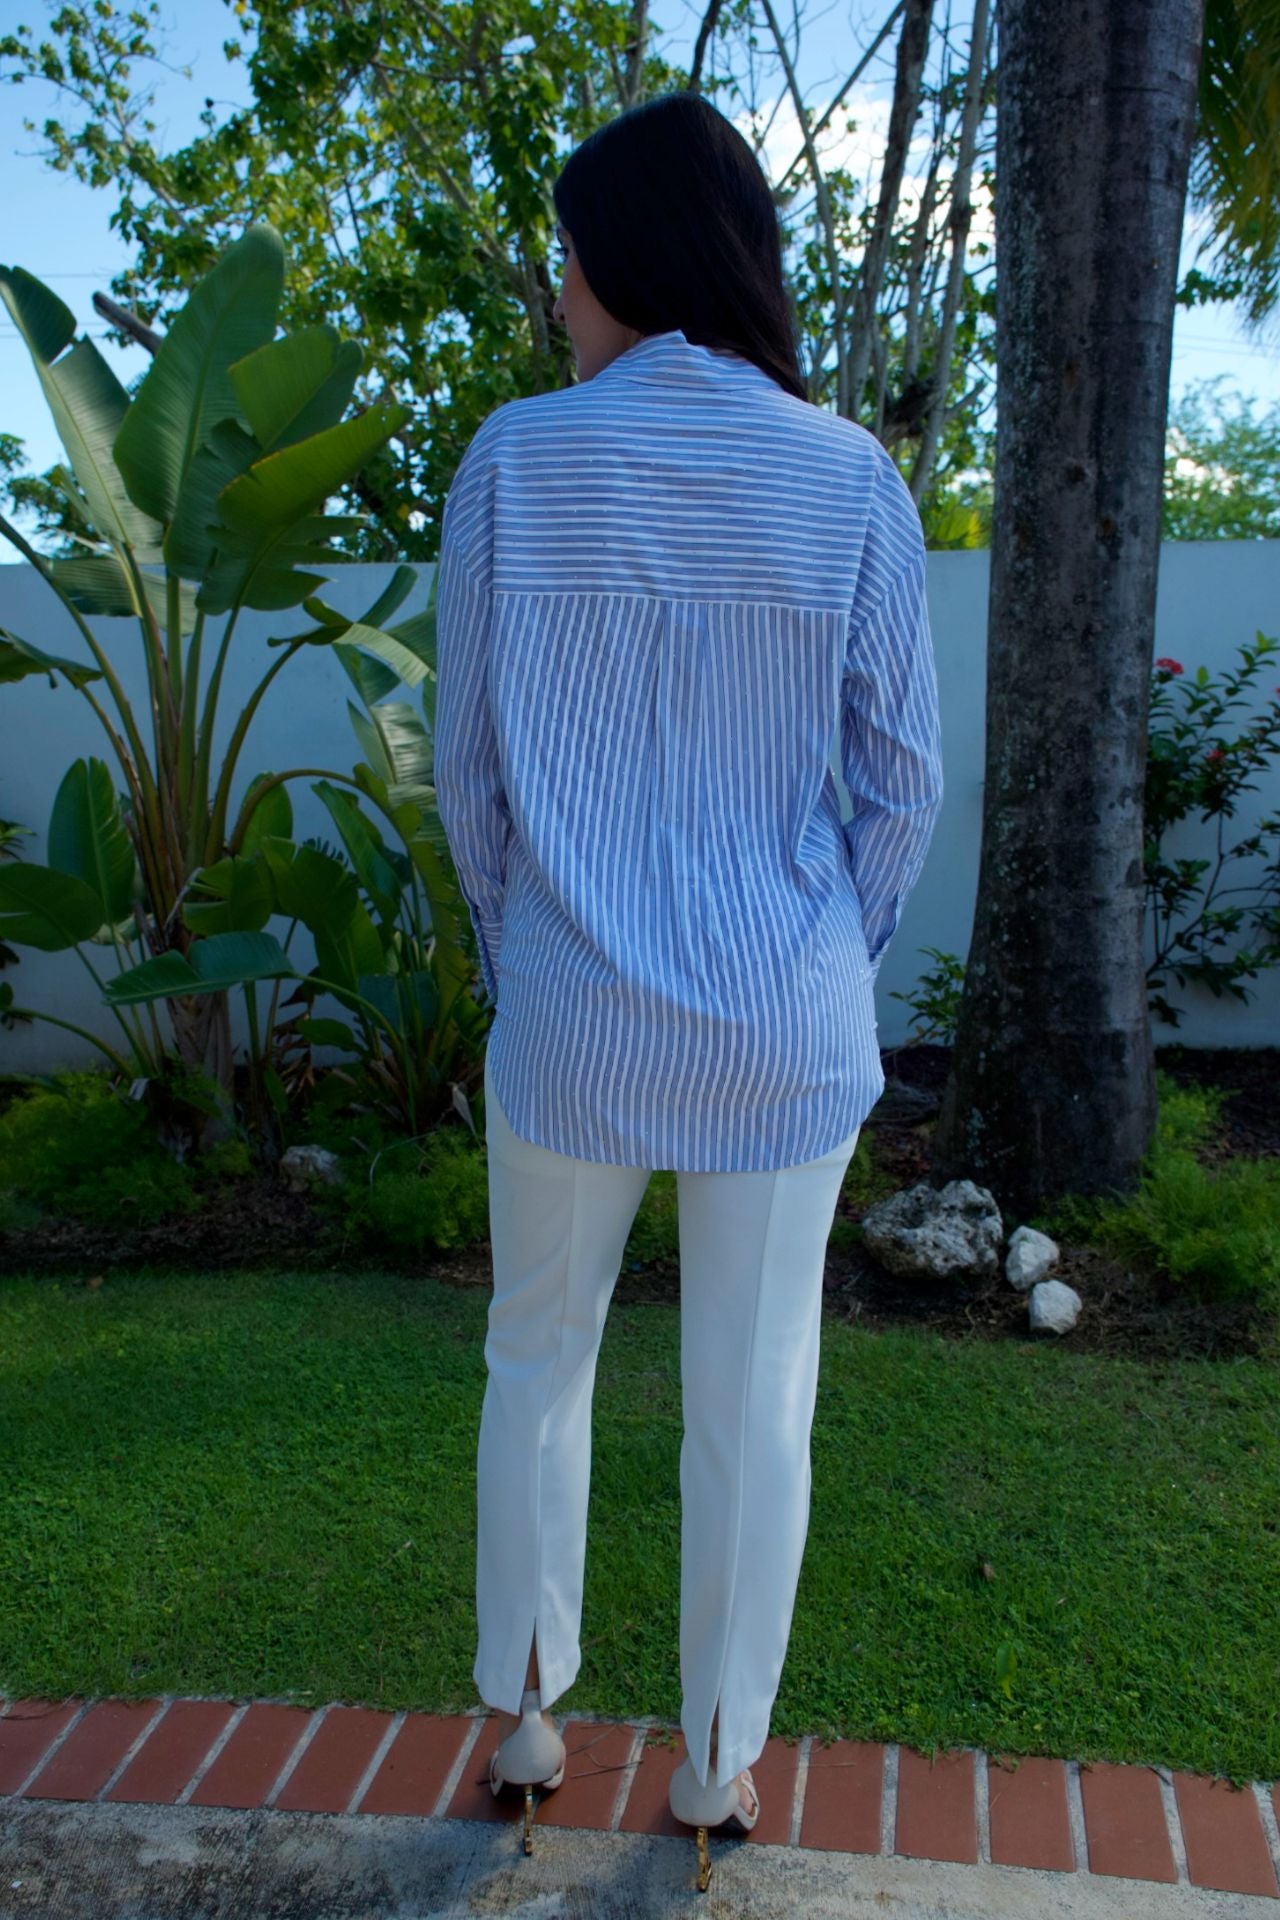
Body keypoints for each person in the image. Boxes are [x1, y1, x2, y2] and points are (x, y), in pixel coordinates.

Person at [431, 89, 944, 1872]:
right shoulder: (850, 476)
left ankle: (523, 1715)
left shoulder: (514, 458)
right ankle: (720, 1763)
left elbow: (472, 779)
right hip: (780, 1037)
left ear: (623, 261)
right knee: (755, 1392)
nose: (559, 297)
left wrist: (538, 952)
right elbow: (900, 790)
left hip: (570, 1018)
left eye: (570, 261)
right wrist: (812, 963)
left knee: (537, 1354)